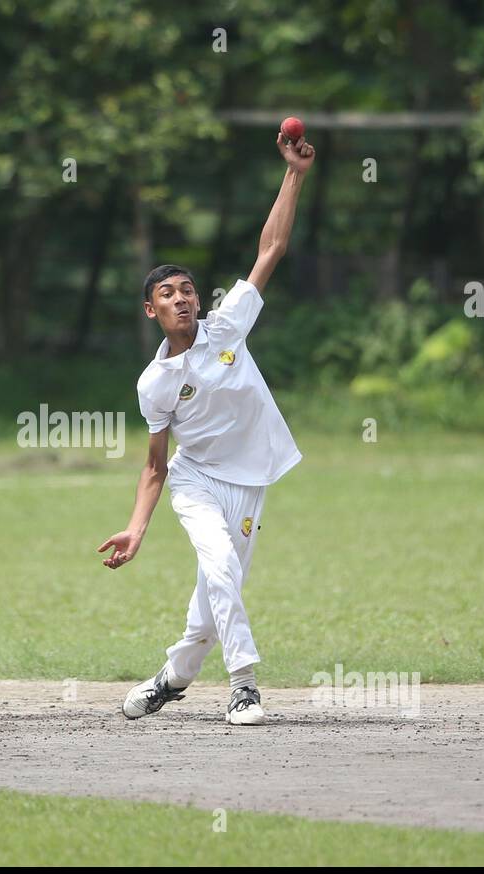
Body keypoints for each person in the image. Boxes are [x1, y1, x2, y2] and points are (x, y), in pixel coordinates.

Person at [98, 132, 316, 726]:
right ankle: (245, 685)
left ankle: (172, 679)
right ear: (153, 311)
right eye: (167, 294)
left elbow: (269, 248)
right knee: (219, 566)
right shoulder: (155, 382)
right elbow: (154, 465)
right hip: (194, 482)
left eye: (188, 289)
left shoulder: (228, 328)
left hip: (248, 479)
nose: (183, 299)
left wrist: (293, 174)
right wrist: (136, 529)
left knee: (209, 602)